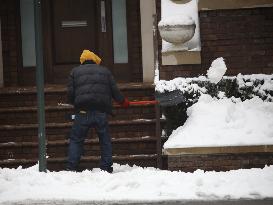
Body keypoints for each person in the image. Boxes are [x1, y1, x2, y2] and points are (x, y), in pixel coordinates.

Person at [66, 49, 129, 173]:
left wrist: (76, 104)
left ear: (82, 60)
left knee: (76, 140)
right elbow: (114, 90)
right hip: (100, 111)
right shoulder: (105, 71)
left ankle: (71, 167)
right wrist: (123, 102)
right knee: (104, 140)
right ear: (95, 59)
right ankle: (106, 167)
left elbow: (70, 94)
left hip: (82, 112)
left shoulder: (74, 72)